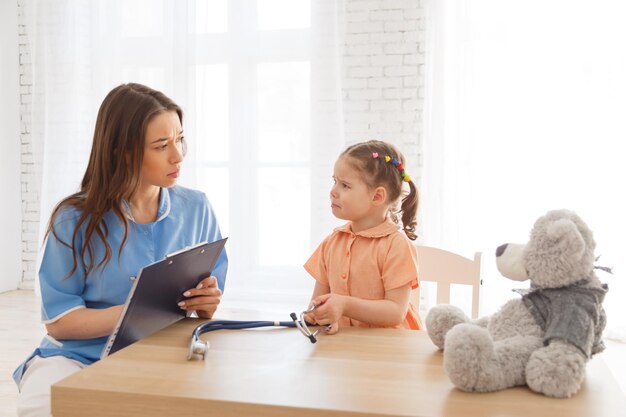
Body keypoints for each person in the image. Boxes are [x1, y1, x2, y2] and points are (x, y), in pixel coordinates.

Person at [13, 83, 228, 417]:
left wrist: (206, 303)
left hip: (159, 354)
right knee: (41, 409)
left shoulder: (197, 208)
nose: (178, 155)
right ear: (123, 151)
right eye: (162, 146)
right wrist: (136, 312)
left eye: (179, 140)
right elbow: (59, 321)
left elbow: (205, 303)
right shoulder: (72, 220)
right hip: (74, 358)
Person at [303, 140, 421, 334]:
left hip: (391, 349)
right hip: (346, 347)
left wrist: (345, 305)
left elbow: (396, 312)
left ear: (377, 197)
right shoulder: (331, 243)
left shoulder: (396, 246)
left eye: (345, 186)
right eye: (335, 181)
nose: (333, 191)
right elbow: (317, 304)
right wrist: (316, 315)